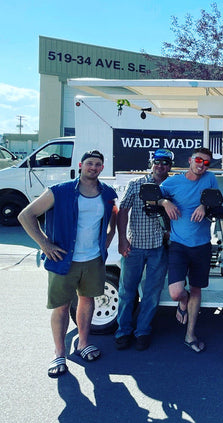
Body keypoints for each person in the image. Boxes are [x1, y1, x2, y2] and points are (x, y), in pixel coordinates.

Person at [18, 150, 117, 378]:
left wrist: (107, 240)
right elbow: (26, 215)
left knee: (87, 300)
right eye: (90, 163)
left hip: (92, 259)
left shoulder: (107, 194)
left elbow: (113, 218)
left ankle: (83, 343)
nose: (93, 167)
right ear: (81, 165)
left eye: (98, 164)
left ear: (102, 168)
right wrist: (45, 244)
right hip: (63, 259)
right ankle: (59, 353)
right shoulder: (59, 191)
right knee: (61, 306)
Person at [159, 147, 219, 353]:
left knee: (196, 289)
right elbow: (155, 196)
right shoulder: (173, 181)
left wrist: (205, 206)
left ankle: (190, 334)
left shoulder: (210, 179)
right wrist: (165, 202)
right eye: (199, 160)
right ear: (191, 160)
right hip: (178, 244)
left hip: (202, 244)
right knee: (176, 292)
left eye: (206, 162)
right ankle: (182, 303)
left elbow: (215, 202)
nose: (202, 165)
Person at [114, 149, 174, 351]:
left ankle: (142, 331)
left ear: (170, 166)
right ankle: (123, 331)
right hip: (135, 247)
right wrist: (122, 240)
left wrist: (169, 231)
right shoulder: (136, 184)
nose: (161, 166)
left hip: (159, 248)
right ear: (152, 163)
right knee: (126, 292)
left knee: (152, 293)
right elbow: (123, 211)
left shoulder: (171, 188)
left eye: (165, 163)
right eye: (157, 162)